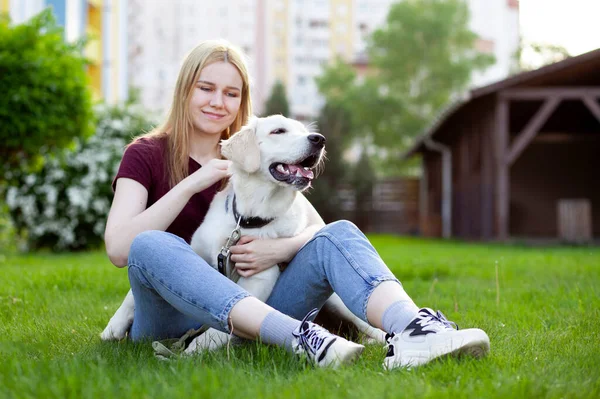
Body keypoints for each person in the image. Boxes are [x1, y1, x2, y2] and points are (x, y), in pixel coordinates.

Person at [104, 39, 490, 369]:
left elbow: (321, 237)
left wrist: (280, 248)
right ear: (184, 89)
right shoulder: (146, 154)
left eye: (231, 93)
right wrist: (192, 184)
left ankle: (414, 329)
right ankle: (301, 337)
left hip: (256, 312)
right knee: (152, 244)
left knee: (340, 232)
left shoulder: (263, 152)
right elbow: (120, 250)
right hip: (172, 316)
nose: (218, 102)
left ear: (243, 100)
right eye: (206, 88)